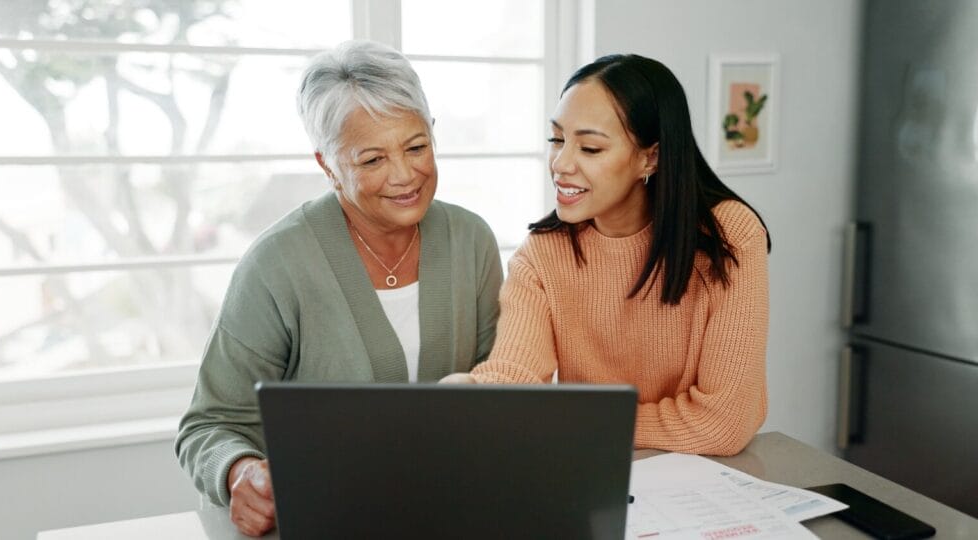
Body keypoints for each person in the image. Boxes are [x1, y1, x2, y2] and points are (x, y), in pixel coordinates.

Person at [175, 40, 503, 537]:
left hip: (446, 516)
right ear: (327, 164)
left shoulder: (472, 240)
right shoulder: (276, 263)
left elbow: (500, 389)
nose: (404, 175)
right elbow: (208, 425)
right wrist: (239, 471)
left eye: (416, 147)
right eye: (372, 160)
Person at [443, 53, 771, 457]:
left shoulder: (729, 237)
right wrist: (477, 391)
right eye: (557, 140)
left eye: (590, 148)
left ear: (648, 158)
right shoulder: (543, 254)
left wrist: (579, 419)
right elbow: (516, 373)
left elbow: (725, 423)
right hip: (594, 466)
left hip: (705, 480)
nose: (561, 164)